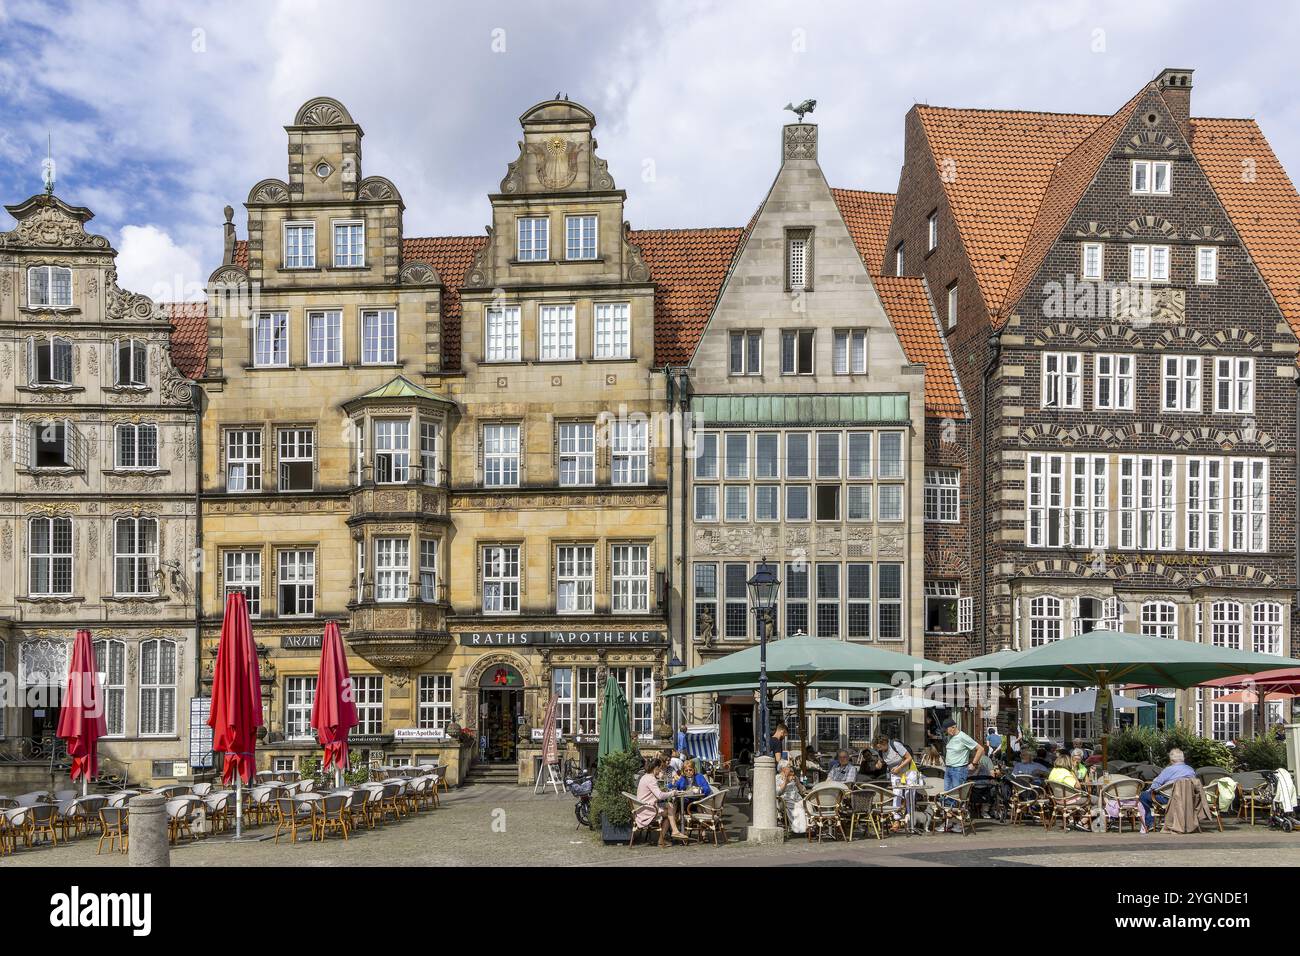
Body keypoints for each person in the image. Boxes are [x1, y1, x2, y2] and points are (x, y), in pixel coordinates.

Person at [1139, 748, 1196, 831]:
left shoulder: (1168, 770)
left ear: (1171, 759)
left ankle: (1149, 823)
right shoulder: (1190, 770)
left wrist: (1150, 790)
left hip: (1169, 799)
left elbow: (1156, 785)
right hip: (1186, 798)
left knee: (1143, 796)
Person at [635, 755, 688, 845]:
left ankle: (671, 833)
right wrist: (673, 793)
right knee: (669, 810)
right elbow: (659, 796)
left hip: (643, 807)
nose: (660, 770)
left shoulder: (645, 777)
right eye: (659, 768)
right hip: (647, 810)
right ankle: (671, 833)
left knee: (669, 806)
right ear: (655, 768)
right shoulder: (651, 779)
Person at [873, 734, 921, 817]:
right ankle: (896, 818)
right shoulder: (881, 752)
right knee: (896, 794)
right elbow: (880, 763)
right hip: (896, 773)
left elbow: (909, 758)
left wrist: (899, 768)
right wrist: (876, 765)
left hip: (909, 771)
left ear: (884, 743)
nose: (879, 749)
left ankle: (910, 816)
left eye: (879, 747)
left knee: (908, 794)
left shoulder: (895, 745)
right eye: (877, 748)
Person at [941, 719, 985, 796]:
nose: (946, 732)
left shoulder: (963, 737)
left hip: (958, 770)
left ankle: (955, 807)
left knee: (955, 796)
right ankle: (948, 808)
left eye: (946, 729)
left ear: (953, 727)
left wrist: (973, 764)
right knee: (947, 795)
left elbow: (980, 749)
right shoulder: (951, 737)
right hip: (948, 769)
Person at [774, 762, 807, 835]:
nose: (791, 768)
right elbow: (778, 792)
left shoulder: (793, 777)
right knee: (795, 805)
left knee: (807, 804)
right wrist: (786, 780)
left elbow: (802, 791)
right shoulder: (777, 778)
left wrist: (798, 782)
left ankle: (810, 826)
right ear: (783, 769)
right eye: (789, 767)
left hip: (797, 797)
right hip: (784, 798)